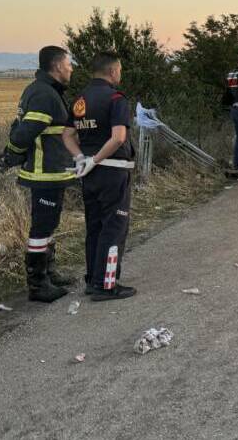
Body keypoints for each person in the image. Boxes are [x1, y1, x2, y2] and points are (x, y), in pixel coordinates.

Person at [0, 46, 78, 302]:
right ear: (58, 66)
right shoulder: (43, 94)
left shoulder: (46, 91)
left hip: (53, 173)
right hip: (44, 174)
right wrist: (10, 154)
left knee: (49, 224)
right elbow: (24, 132)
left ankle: (49, 273)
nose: (71, 68)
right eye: (68, 64)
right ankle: (38, 285)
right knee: (41, 227)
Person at [63, 51, 137, 301]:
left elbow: (67, 135)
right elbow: (118, 137)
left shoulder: (80, 99)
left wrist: (81, 159)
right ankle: (107, 285)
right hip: (113, 171)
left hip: (90, 175)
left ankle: (93, 280)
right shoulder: (116, 98)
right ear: (113, 71)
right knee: (114, 227)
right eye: (120, 70)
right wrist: (95, 160)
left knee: (94, 226)